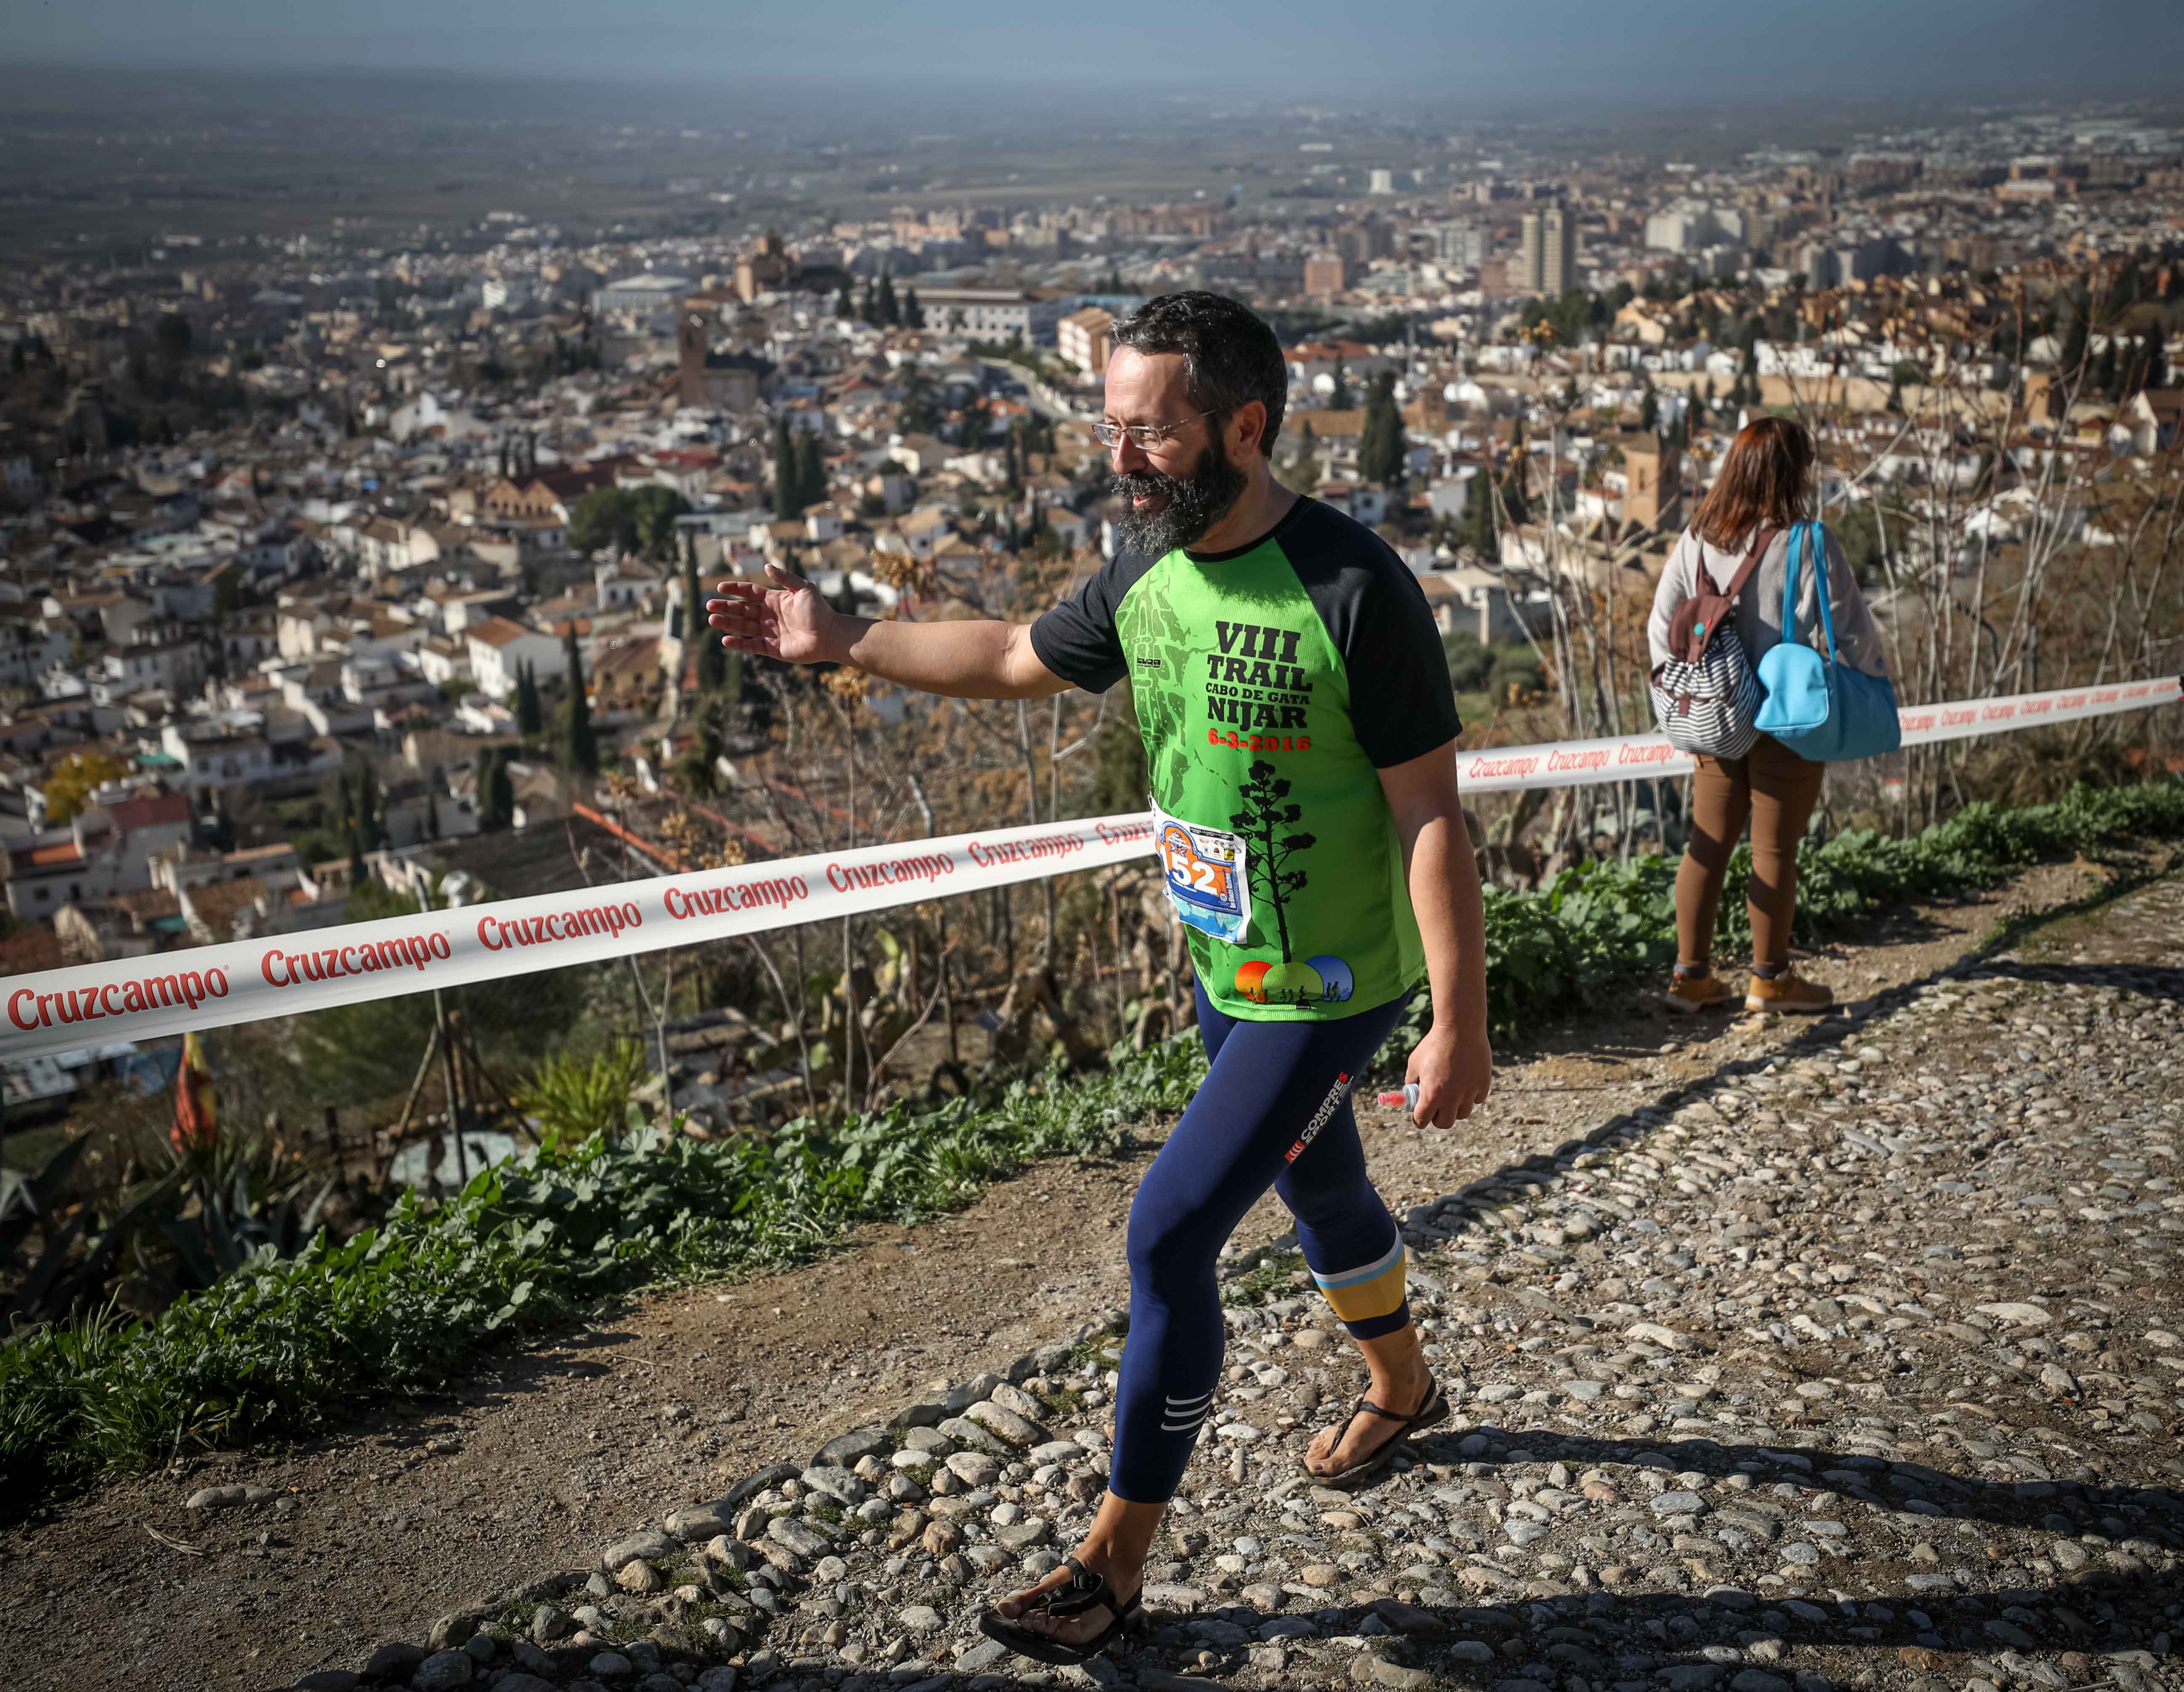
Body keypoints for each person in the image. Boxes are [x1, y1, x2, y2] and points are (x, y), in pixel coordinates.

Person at [709, 291, 1493, 1665]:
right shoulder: (1145, 568)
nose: (1117, 459)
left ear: (1242, 428)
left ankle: (1108, 1564)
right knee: (1318, 1183)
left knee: (1167, 1232)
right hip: (1218, 958)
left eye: (1149, 433)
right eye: (1110, 428)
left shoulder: (1354, 588)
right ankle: (1405, 1384)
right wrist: (839, 639)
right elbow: (1011, 653)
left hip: (1325, 984)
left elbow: (1431, 813)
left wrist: (1455, 1018)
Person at [1646, 415, 1889, 1016]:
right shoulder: (1808, 541)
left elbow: (1660, 625)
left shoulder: (1697, 538)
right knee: (1774, 851)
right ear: (1793, 473)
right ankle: (1770, 978)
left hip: (1717, 717)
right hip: (1788, 717)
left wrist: (1689, 689)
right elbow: (1850, 630)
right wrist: (1870, 681)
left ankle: (1690, 976)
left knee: (1706, 846)